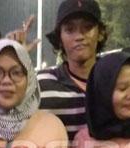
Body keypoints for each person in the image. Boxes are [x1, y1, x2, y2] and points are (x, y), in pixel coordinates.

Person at [38, 0, 107, 140]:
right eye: (70, 29)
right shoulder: (39, 84)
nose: (79, 36)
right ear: (59, 38)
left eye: (87, 28)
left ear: (100, 33)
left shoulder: (119, 81)